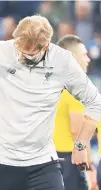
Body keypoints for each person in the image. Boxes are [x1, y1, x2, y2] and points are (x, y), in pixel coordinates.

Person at [0, 15, 101, 190]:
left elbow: (95, 102)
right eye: (20, 51)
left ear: (46, 47)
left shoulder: (62, 61)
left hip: (42, 163)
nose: (22, 57)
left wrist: (80, 145)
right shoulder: (1, 52)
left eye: (29, 55)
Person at [55, 35, 100, 190]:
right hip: (71, 159)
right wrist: (90, 167)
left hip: (49, 158)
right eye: (84, 55)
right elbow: (77, 131)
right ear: (72, 57)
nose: (88, 59)